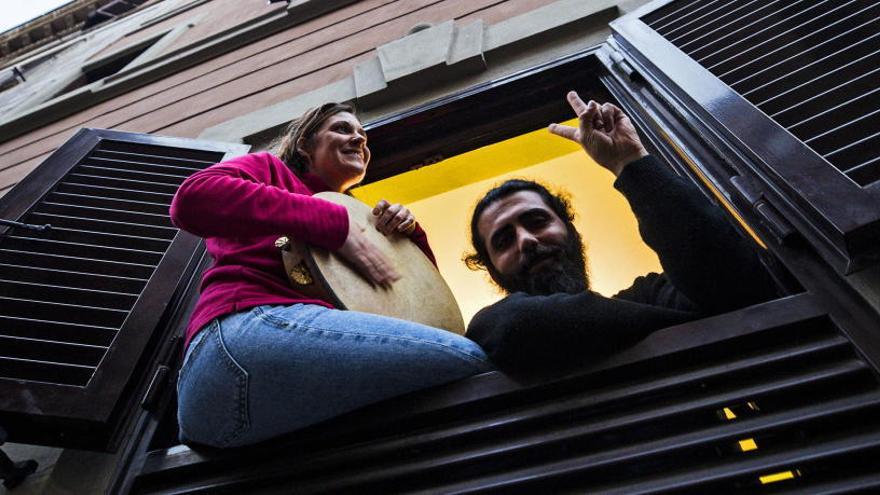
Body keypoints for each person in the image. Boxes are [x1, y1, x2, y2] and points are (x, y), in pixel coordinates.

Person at [171, 102, 491, 448]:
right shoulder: (269, 170)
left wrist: (407, 238)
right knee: (468, 359)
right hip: (238, 340)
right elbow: (191, 199)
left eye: (363, 136)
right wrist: (333, 224)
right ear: (304, 146)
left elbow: (420, 318)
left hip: (254, 409)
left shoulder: (366, 220)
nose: (358, 139)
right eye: (341, 129)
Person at [464, 91, 778, 370]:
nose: (527, 240)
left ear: (569, 230)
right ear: (493, 271)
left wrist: (631, 163)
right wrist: (686, 324)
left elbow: (730, 280)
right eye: (504, 241)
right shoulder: (488, 336)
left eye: (536, 221)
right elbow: (515, 324)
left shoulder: (649, 295)